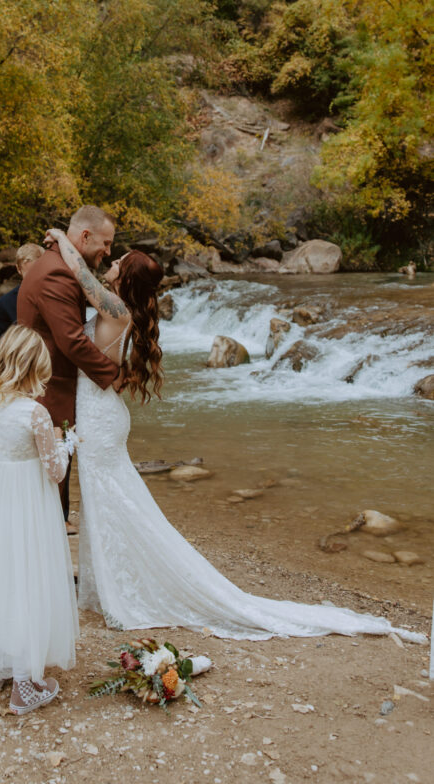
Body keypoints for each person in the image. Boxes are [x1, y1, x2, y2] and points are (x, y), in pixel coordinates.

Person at [45, 227, 426, 644]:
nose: (111, 262)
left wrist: (62, 238)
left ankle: (122, 593)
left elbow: (81, 272)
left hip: (99, 420)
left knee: (110, 503)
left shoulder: (115, 308)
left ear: (125, 278)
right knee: (109, 503)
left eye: (118, 263)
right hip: (101, 414)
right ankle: (107, 588)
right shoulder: (121, 311)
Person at [0, 324, 79, 715]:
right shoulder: (36, 414)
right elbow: (55, 472)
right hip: (27, 511)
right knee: (26, 580)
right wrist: (65, 442)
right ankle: (25, 684)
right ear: (34, 367)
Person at [17, 206, 123, 526]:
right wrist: (115, 375)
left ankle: (50, 562)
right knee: (52, 483)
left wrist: (63, 239)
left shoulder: (60, 263)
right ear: (85, 236)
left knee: (51, 483)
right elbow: (71, 341)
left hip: (49, 387)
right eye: (105, 244)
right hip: (49, 392)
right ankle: (47, 563)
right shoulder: (57, 273)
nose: (108, 252)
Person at [0, 244, 44, 349]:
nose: (34, 279)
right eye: (29, 275)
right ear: (18, 269)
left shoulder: (58, 295)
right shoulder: (3, 304)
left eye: (38, 272)